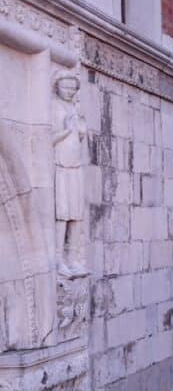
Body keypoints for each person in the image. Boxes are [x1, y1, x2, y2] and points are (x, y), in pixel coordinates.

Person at [52, 72, 88, 279]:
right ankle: (58, 259)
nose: (69, 92)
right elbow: (47, 138)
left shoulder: (74, 107)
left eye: (73, 89)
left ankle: (72, 258)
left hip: (75, 166)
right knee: (62, 214)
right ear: (57, 86)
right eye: (65, 87)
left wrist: (81, 132)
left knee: (76, 214)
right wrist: (67, 130)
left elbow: (78, 138)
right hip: (61, 167)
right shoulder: (53, 107)